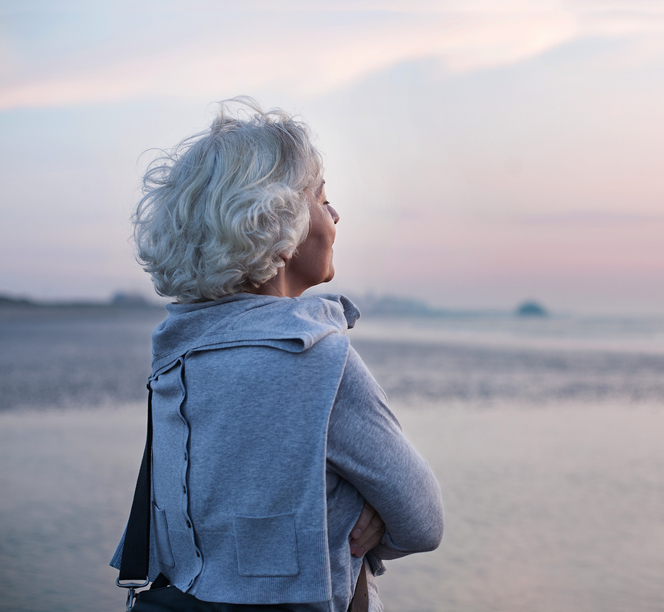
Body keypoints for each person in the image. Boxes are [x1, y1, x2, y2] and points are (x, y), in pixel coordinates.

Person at [110, 98, 445, 612]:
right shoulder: (316, 357)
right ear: (278, 220)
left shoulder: (177, 354)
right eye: (323, 197)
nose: (335, 214)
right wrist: (367, 525)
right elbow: (424, 521)